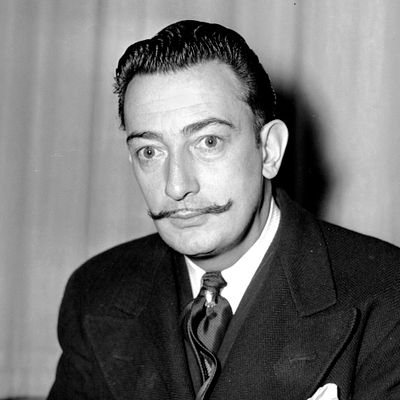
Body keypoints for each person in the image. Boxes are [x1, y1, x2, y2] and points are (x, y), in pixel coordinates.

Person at [48, 20, 400, 400]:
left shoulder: (386, 295)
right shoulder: (96, 293)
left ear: (269, 151)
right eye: (150, 151)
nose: (177, 186)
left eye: (208, 142)